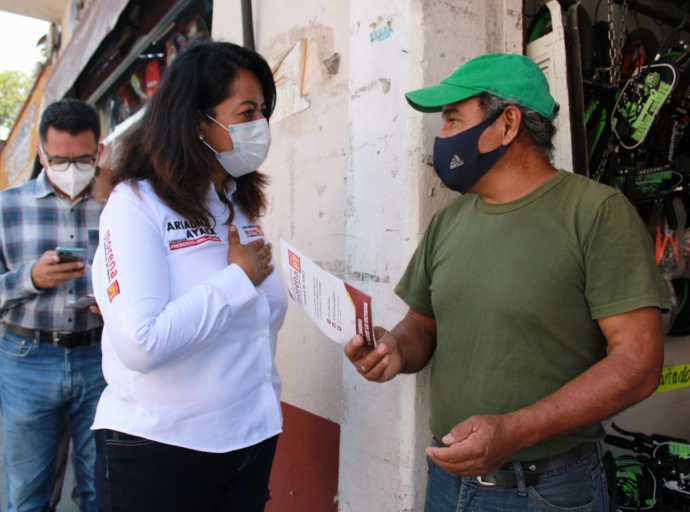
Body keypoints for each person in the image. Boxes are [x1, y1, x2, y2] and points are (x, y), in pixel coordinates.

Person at [345, 53, 668, 512]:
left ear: (508, 123)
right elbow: (422, 324)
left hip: (549, 489)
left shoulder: (596, 214)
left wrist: (515, 429)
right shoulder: (449, 221)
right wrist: (394, 348)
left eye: (454, 119)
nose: (442, 138)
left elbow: (638, 364)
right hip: (448, 483)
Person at [91, 40, 287, 512]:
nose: (259, 126)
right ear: (197, 120)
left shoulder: (235, 204)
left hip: (249, 442)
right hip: (160, 452)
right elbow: (142, 342)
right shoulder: (136, 205)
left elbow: (257, 320)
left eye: (263, 111)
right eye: (246, 112)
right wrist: (238, 280)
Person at [0, 99, 106, 512]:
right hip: (28, 357)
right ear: (42, 154)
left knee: (102, 488)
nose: (72, 168)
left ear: (99, 150)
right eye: (60, 160)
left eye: (83, 159)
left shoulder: (118, 202)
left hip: (100, 357)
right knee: (28, 494)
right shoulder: (7, 207)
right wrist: (30, 278)